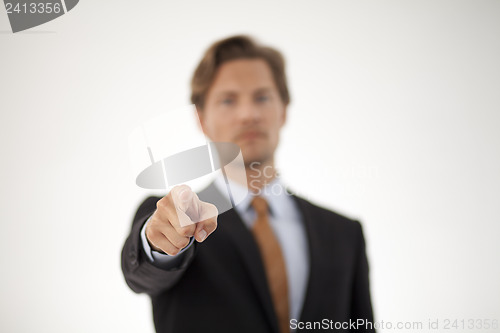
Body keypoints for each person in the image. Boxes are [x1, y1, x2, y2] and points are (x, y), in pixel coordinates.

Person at [121, 35, 375, 333]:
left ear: (283, 110)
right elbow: (143, 275)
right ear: (202, 119)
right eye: (228, 100)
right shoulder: (176, 220)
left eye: (262, 97)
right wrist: (161, 243)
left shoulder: (344, 234)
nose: (248, 114)